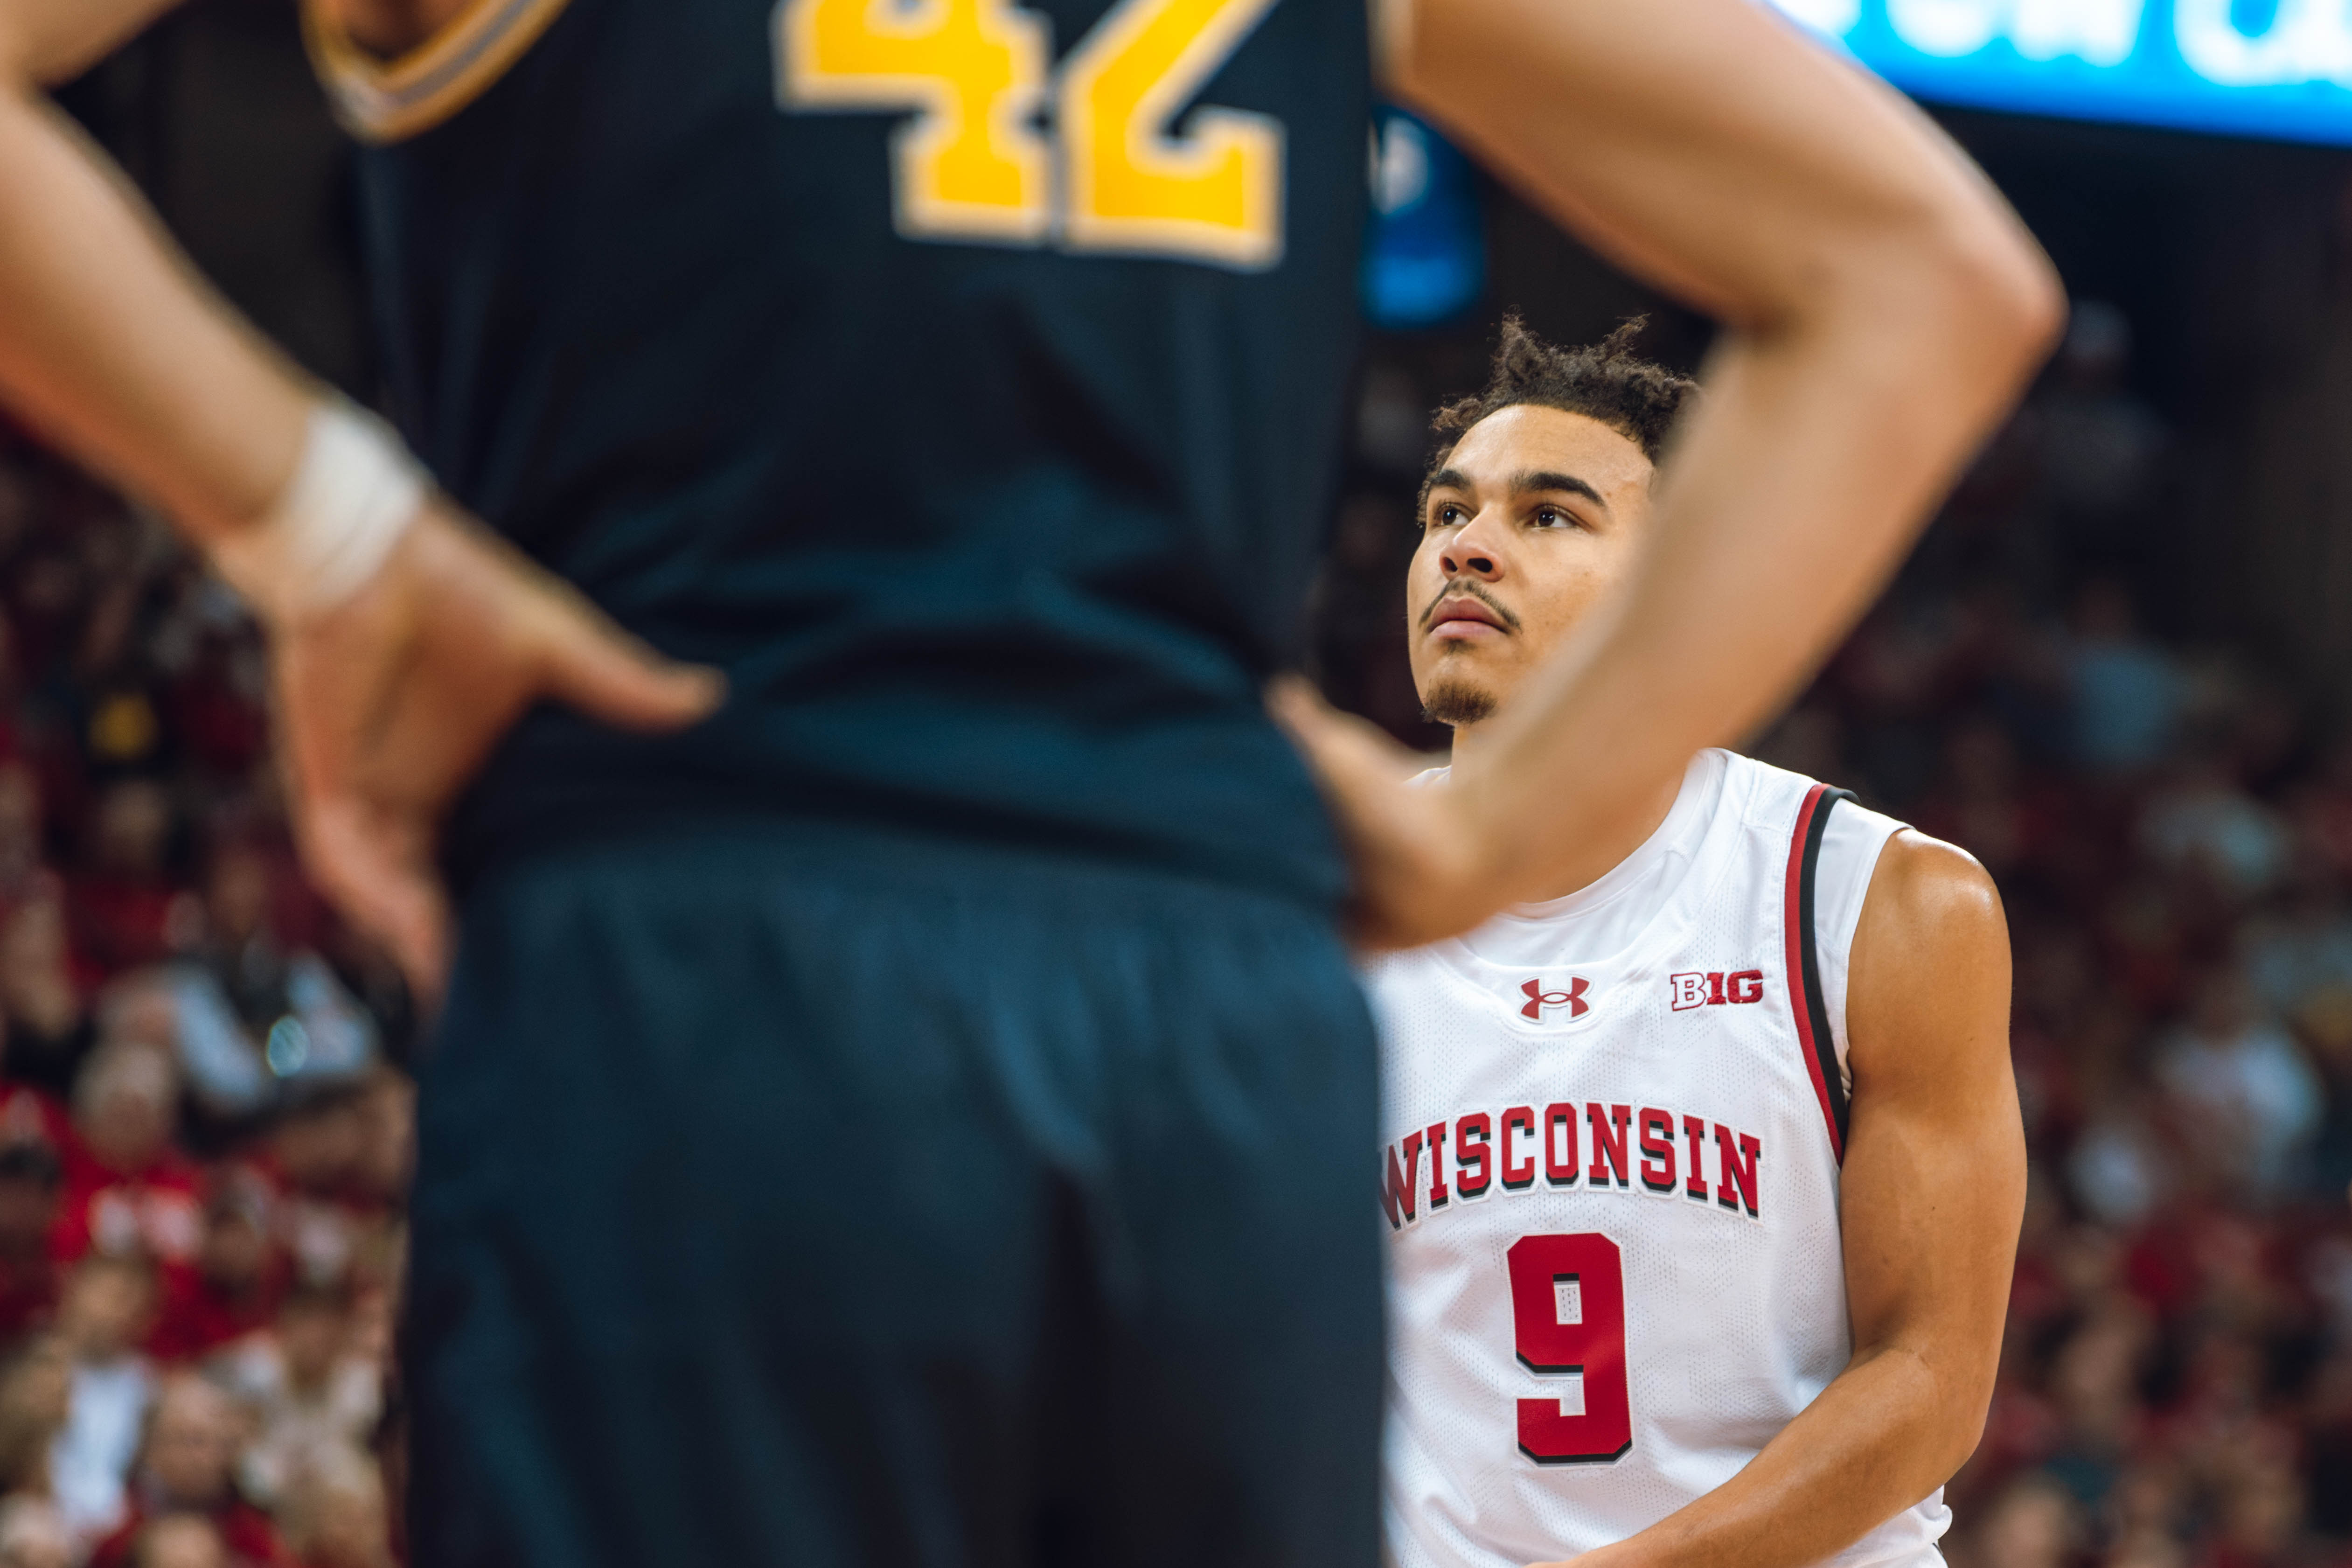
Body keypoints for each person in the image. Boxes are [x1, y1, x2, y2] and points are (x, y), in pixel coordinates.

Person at [0, 0, 2061, 1562]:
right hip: (1205, 1006)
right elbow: (1926, 273)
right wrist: (1501, 834)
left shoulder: (1870, 905)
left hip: (705, 934)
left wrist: (326, 528)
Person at [1365, 324, 2023, 1568]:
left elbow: (1929, 1375)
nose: (1464, 543)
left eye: (1548, 515)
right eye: (1446, 508)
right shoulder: (1320, 899)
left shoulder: (1877, 898)